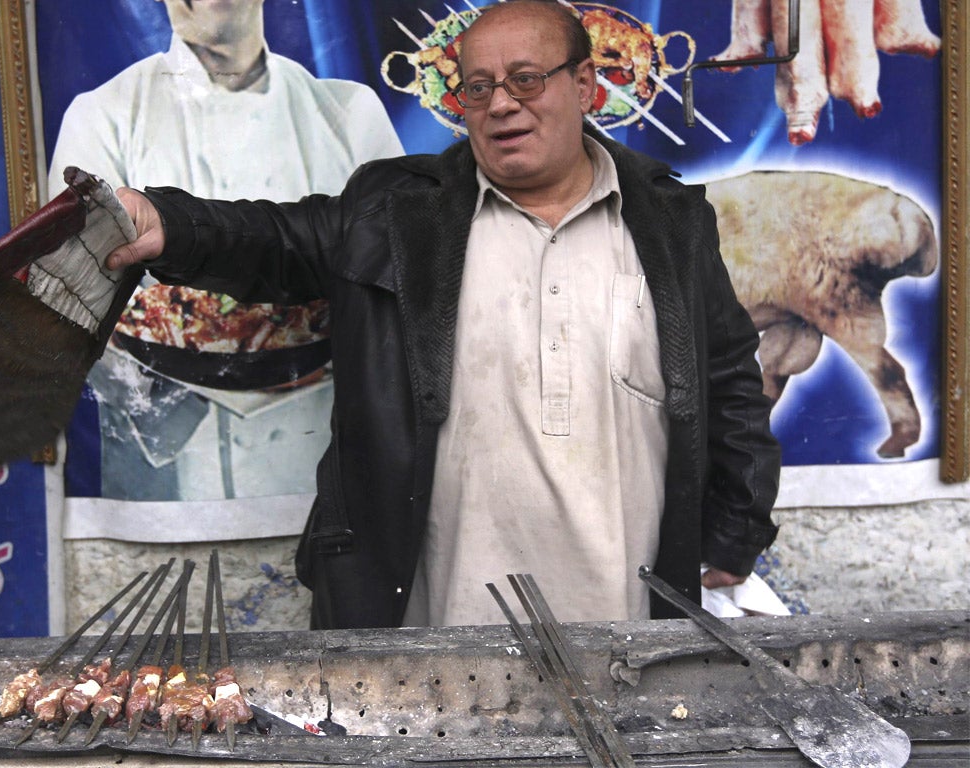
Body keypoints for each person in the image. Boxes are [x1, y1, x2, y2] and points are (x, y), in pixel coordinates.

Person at [106, 0, 781, 629]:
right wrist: (167, 223)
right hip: (433, 619)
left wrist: (737, 527)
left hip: (622, 607)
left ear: (584, 85)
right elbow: (276, 239)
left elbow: (727, 379)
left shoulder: (672, 223)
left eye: (525, 79)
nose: (501, 106)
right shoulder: (397, 213)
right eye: (478, 87)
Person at [45, 0, 403, 501]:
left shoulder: (348, 112)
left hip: (333, 437)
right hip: (167, 457)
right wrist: (169, 413)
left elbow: (400, 280)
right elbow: (72, 300)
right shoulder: (101, 115)